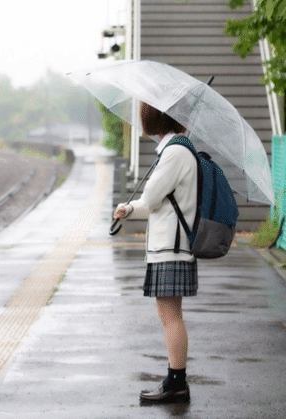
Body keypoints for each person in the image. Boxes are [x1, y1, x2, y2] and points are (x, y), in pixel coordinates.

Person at [114, 102, 198, 405]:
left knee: (170, 316)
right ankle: (175, 380)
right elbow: (156, 203)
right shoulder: (176, 150)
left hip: (171, 248)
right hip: (171, 246)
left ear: (156, 117)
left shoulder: (174, 153)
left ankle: (176, 383)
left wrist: (140, 201)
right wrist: (129, 208)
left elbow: (152, 197)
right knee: (170, 315)